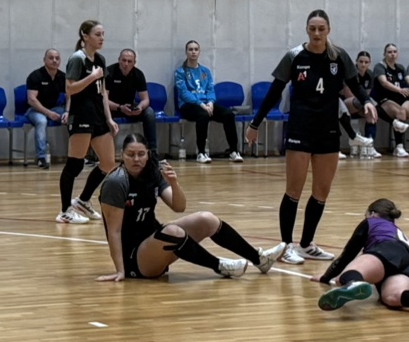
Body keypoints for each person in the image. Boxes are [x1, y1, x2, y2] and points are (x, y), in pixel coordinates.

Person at [245, 10, 376, 265]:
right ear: (307, 30)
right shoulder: (294, 56)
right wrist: (255, 123)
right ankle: (286, 246)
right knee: (294, 190)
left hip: (328, 129)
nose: (317, 33)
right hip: (300, 128)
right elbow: (274, 92)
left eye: (321, 29)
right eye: (312, 28)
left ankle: (306, 244)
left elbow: (355, 85)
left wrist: (367, 101)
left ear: (329, 30)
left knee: (321, 191)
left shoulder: (339, 56)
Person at [95, 134, 283, 282]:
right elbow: (114, 231)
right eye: (130, 154)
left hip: (156, 244)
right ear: (122, 155)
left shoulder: (152, 172)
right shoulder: (116, 182)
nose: (136, 159)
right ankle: (220, 266)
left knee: (206, 219)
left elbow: (179, 207)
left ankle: (259, 259)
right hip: (135, 259)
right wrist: (120, 271)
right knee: (173, 231)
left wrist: (174, 183)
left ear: (148, 154)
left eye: (141, 154)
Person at [315, 198, 409, 322]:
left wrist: (325, 277)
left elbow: (347, 255)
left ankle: (353, 282)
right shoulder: (395, 230)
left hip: (386, 251)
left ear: (372, 213)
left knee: (344, 277)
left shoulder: (371, 222)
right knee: (393, 297)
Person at [58, 21, 116, 225]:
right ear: (85, 36)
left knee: (108, 163)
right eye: (97, 34)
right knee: (75, 164)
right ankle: (65, 211)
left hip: (98, 116)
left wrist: (109, 118)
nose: (102, 38)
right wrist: (91, 77)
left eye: (103, 34)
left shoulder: (100, 59)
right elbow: (70, 89)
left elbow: (103, 93)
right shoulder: (77, 59)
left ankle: (83, 201)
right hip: (81, 115)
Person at [174, 41, 241, 163]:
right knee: (203, 115)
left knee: (228, 114)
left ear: (199, 52)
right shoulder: (180, 72)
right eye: (190, 49)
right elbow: (184, 93)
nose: (193, 52)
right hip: (189, 105)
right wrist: (200, 104)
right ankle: (201, 153)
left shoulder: (205, 71)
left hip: (206, 104)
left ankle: (233, 151)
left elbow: (210, 89)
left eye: (196, 49)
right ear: (186, 52)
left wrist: (210, 102)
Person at [371, 43, 409, 157]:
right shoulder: (380, 67)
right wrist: (399, 90)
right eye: (389, 52)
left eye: (395, 52)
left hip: (400, 98)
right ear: (384, 54)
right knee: (401, 112)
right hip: (384, 99)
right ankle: (399, 147)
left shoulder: (400, 67)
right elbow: (384, 82)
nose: (392, 54)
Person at [105, 48, 158, 151]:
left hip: (130, 108)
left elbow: (145, 99)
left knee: (149, 112)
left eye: (129, 61)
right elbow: (104, 100)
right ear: (119, 60)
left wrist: (140, 107)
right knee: (98, 112)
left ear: (134, 63)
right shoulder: (109, 72)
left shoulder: (138, 74)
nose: (126, 64)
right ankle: (100, 153)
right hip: (112, 108)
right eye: (123, 60)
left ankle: (152, 151)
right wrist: (120, 107)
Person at [23, 48, 67, 170]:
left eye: (57, 58)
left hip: (54, 108)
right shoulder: (35, 76)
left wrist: (68, 112)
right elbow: (31, 100)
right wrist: (48, 113)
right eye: (51, 58)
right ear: (44, 60)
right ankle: (41, 158)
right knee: (42, 121)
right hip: (35, 110)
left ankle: (77, 155)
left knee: (73, 118)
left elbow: (70, 97)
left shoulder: (63, 77)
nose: (54, 61)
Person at [338, 51, 381, 159]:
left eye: (366, 62)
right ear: (356, 62)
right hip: (345, 103)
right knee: (361, 103)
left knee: (371, 111)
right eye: (361, 61)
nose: (363, 64)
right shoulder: (351, 72)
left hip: (360, 104)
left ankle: (369, 144)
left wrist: (366, 105)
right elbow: (348, 94)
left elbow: (367, 95)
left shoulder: (370, 74)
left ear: (369, 63)